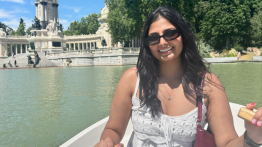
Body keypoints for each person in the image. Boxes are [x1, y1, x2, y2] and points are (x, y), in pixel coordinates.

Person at [95, 6, 262, 147]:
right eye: (153, 37)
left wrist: (252, 137)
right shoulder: (132, 79)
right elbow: (114, 129)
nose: (162, 42)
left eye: (170, 33)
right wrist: (106, 141)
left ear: (183, 35)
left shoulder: (208, 85)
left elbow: (227, 143)